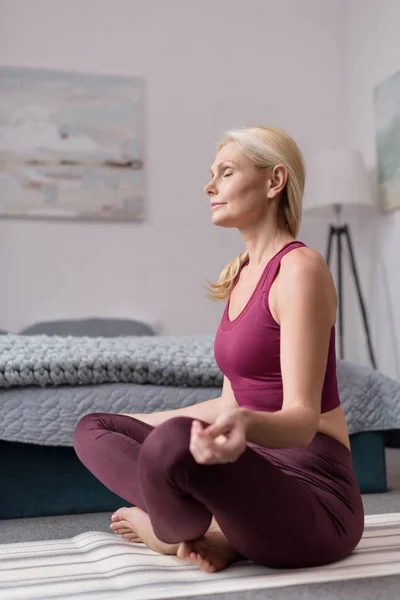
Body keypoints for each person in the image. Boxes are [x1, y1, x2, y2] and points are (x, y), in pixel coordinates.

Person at [73, 125, 364, 574]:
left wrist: (240, 425)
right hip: (246, 479)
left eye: (225, 173)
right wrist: (133, 425)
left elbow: (304, 423)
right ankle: (216, 533)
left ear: (274, 181)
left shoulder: (300, 269)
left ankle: (168, 535)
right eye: (212, 175)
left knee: (172, 443)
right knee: (93, 428)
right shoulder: (242, 274)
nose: (209, 186)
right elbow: (231, 401)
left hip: (313, 501)